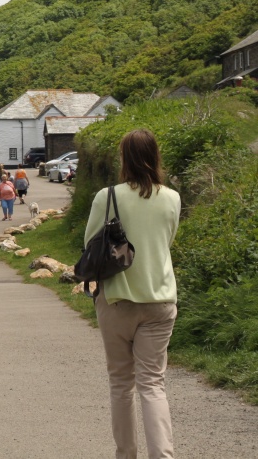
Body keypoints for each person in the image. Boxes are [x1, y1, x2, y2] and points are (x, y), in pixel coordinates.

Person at [86, 129, 181, 459]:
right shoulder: (172, 197)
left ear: (124, 158)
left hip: (117, 301)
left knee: (121, 384)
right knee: (153, 384)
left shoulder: (107, 196)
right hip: (161, 300)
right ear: (156, 156)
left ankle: (126, 454)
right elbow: (165, 244)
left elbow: (91, 247)